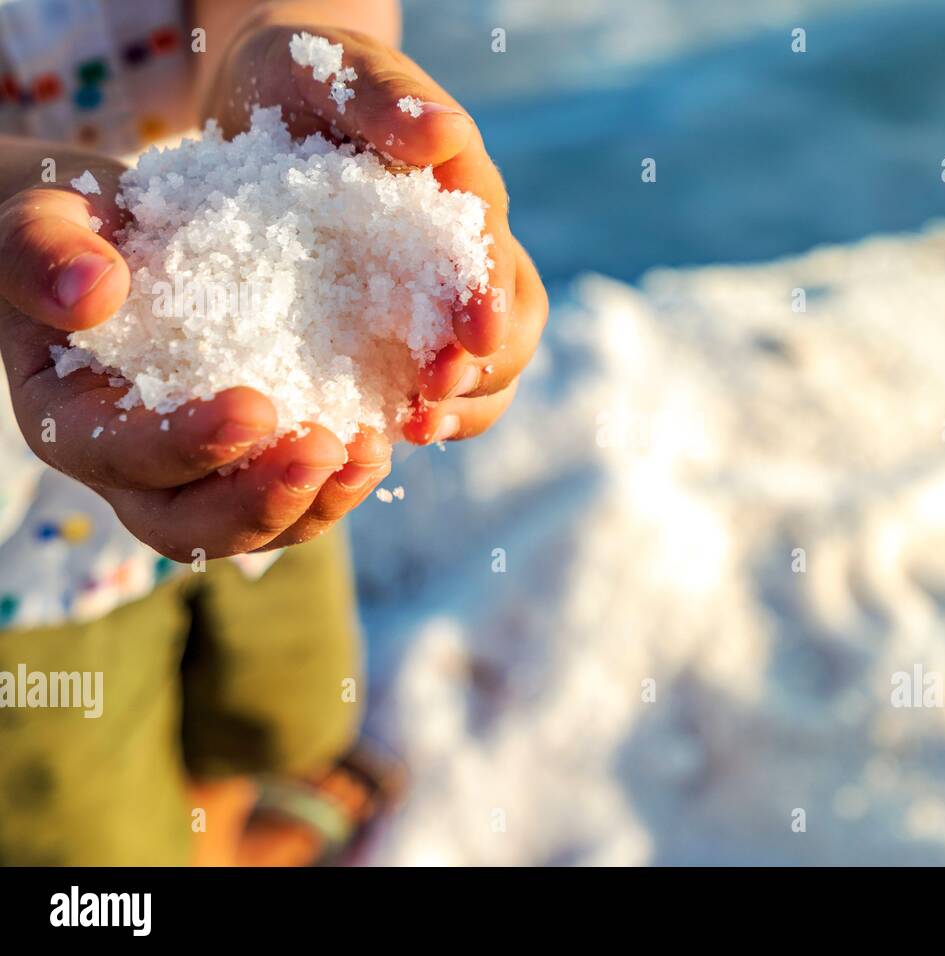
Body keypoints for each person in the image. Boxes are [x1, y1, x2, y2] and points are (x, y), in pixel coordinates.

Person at [0, 0, 547, 865]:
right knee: (90, 844)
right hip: (22, 568)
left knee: (279, 708)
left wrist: (278, 38)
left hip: (257, 414)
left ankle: (224, 831)